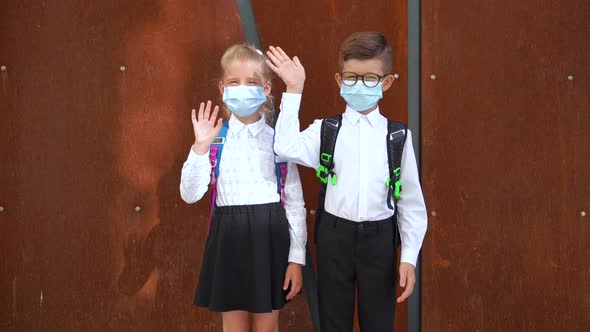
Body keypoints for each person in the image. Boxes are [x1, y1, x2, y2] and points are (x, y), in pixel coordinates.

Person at [266, 32, 428, 332]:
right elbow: (284, 147)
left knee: (378, 323)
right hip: (334, 238)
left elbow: (411, 203)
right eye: (351, 78)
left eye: (370, 78)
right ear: (340, 82)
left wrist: (408, 258)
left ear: (387, 82)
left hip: (380, 241)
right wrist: (293, 89)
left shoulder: (397, 137)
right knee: (333, 323)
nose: (359, 85)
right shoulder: (326, 130)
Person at [180, 43, 307, 332]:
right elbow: (189, 195)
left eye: (251, 82)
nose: (242, 88)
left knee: (267, 324)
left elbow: (296, 204)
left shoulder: (279, 140)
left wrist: (296, 259)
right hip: (228, 238)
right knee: (233, 324)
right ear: (222, 88)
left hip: (270, 238)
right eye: (234, 82)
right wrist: (199, 148)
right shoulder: (213, 140)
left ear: (266, 89)